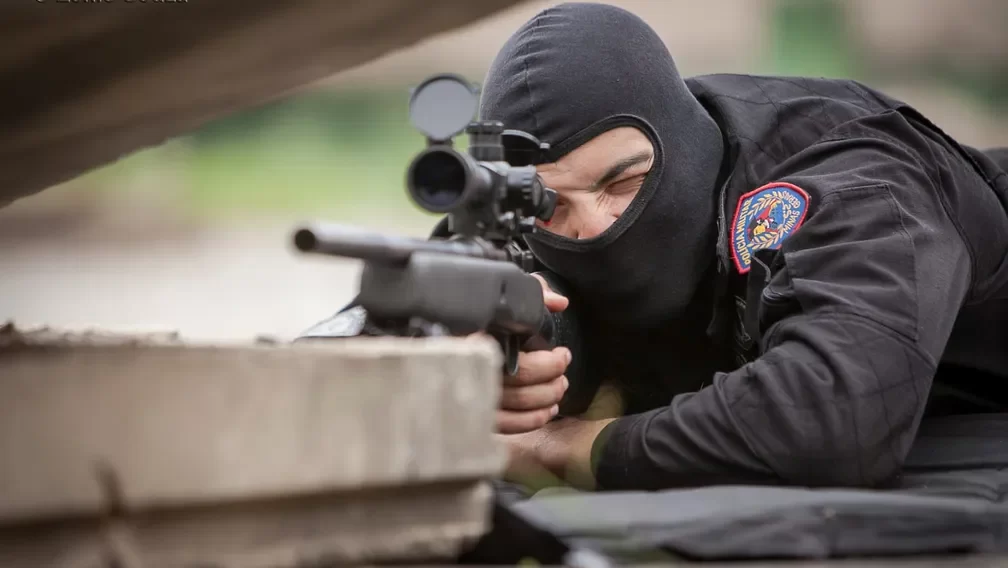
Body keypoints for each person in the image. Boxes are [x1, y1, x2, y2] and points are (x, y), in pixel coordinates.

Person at [481, 2, 1008, 492]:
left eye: (622, 185)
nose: (594, 230)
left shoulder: (855, 177)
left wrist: (573, 448)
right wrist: (495, 365)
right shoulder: (514, 227)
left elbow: (835, 415)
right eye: (549, 208)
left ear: (683, 144)